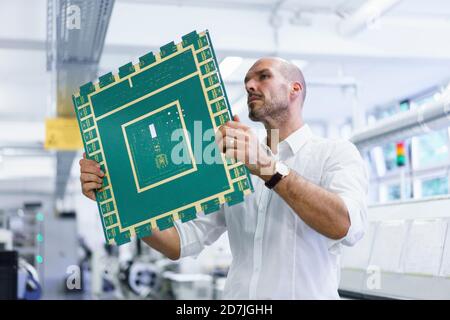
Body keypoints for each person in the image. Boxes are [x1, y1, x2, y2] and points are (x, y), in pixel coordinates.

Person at [79, 57, 368, 299]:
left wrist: (269, 169)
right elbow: (180, 242)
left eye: (263, 77)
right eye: (246, 82)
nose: (250, 86)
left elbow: (345, 225)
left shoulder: (335, 154)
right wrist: (119, 200)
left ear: (295, 88)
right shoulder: (234, 165)